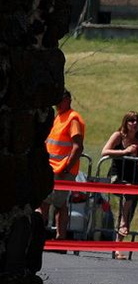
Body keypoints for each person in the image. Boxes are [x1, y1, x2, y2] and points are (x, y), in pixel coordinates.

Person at [101, 111, 138, 260]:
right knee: (128, 197)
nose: (134, 124)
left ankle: (117, 247)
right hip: (117, 177)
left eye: (137, 121)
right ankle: (122, 223)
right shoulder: (118, 136)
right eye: (131, 121)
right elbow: (104, 151)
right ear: (125, 122)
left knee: (128, 212)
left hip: (134, 180)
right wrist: (124, 151)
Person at [40, 89, 85, 244]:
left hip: (62, 170)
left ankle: (56, 239)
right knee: (48, 201)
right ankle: (47, 235)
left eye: (62, 99)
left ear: (69, 100)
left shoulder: (73, 118)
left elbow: (78, 146)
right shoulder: (59, 116)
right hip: (52, 168)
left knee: (54, 203)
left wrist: (66, 168)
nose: (58, 103)